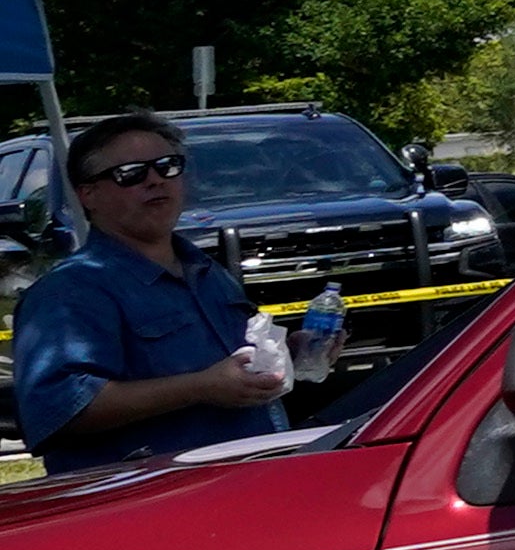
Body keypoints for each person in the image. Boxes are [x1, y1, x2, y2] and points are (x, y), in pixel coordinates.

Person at [8, 115, 335, 473]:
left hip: (247, 485)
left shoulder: (207, 272)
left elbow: (232, 366)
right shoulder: (69, 292)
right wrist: (200, 388)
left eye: (168, 166)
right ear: (88, 195)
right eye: (131, 173)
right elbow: (60, 409)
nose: (155, 180)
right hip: (147, 507)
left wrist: (291, 355)